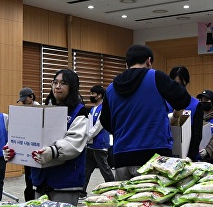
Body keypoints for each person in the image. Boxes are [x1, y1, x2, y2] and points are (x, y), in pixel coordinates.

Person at [100, 44, 191, 181]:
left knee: (126, 201)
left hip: (121, 158)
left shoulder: (111, 88)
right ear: (149, 61)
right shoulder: (155, 77)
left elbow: (105, 121)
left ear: (127, 63)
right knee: (152, 201)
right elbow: (183, 100)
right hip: (153, 157)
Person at [24, 69, 89, 206]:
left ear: (72, 87)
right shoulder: (43, 110)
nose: (57, 86)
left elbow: (74, 143)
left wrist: (52, 151)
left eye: (63, 83)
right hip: (40, 181)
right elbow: (29, 135)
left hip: (66, 183)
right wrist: (14, 148)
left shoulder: (80, 112)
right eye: (55, 82)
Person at [82, 85, 115, 197]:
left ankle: (114, 189)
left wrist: (86, 138)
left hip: (100, 145)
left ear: (100, 95)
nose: (91, 96)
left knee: (105, 170)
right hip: (90, 145)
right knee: (86, 170)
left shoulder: (104, 109)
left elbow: (98, 127)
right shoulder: (92, 109)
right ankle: (82, 192)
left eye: (93, 94)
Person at [168, 66, 204, 160]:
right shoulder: (164, 103)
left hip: (187, 156)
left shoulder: (196, 105)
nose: (178, 88)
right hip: (166, 154)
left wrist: (190, 158)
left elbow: (197, 135)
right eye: (175, 84)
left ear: (186, 83)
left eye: (181, 85)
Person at [16, 87, 40, 202]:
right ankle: (29, 201)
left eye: (24, 100)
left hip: (38, 151)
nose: (23, 103)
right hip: (26, 150)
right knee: (28, 179)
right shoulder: (24, 111)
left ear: (31, 97)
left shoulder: (40, 110)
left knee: (35, 179)